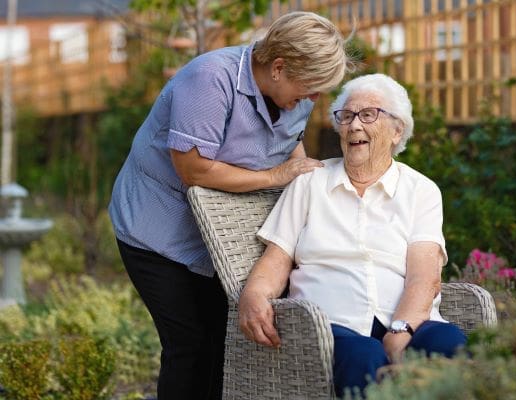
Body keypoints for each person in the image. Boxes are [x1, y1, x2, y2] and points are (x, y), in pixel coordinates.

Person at [108, 11, 350, 400]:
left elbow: (291, 148)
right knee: (190, 346)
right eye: (310, 86)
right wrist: (276, 177)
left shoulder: (296, 94)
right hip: (157, 231)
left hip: (224, 239)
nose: (314, 98)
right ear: (278, 67)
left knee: (229, 344)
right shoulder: (209, 80)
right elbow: (193, 169)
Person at [238, 73, 467, 398]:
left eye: (368, 114)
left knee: (451, 346)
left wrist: (400, 332)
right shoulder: (309, 184)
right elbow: (277, 260)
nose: (354, 125)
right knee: (365, 357)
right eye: (346, 116)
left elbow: (424, 277)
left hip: (406, 319)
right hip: (333, 324)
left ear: (397, 129)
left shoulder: (421, 191)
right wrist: (253, 296)